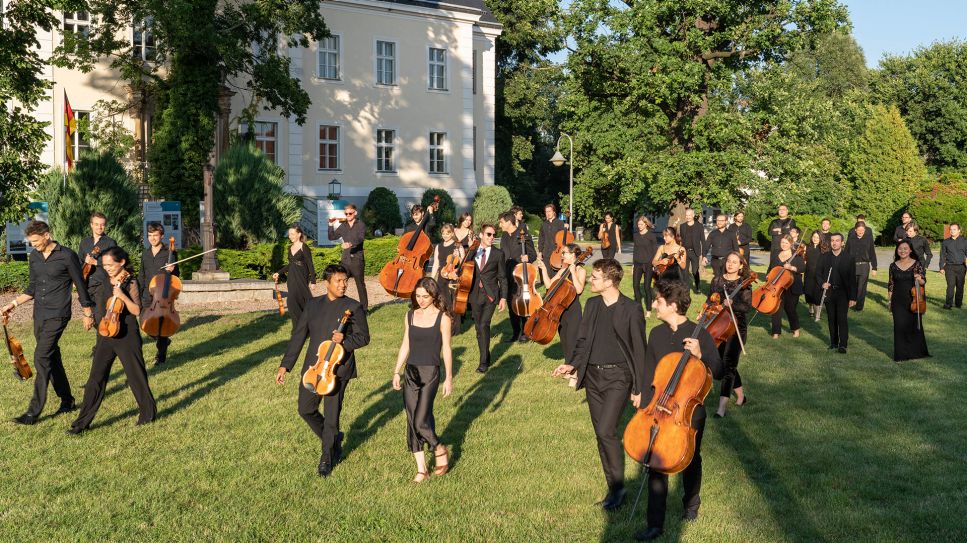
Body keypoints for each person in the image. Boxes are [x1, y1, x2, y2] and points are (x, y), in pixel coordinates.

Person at [551, 259, 647, 512]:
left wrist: (639, 388)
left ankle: (618, 488)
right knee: (601, 435)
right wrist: (570, 364)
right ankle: (613, 487)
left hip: (618, 377)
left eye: (595, 277)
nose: (590, 281)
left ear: (609, 281)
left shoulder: (631, 309)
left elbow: (639, 351)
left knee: (606, 431)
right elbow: (582, 341)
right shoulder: (592, 305)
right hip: (593, 377)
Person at [634, 280, 723, 542]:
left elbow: (718, 370)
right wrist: (642, 398)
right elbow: (650, 372)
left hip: (688, 410)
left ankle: (691, 504)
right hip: (659, 407)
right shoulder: (657, 335)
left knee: (690, 457)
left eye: (657, 301)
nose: (653, 305)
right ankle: (655, 523)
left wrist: (700, 354)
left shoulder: (699, 333)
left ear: (672, 306)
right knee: (656, 460)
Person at [276, 264, 370, 477]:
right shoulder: (312, 305)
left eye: (345, 280)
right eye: (338, 281)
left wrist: (345, 340)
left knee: (331, 416)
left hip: (338, 368)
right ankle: (334, 438)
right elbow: (299, 336)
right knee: (305, 409)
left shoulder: (353, 307)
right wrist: (285, 365)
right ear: (327, 283)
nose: (343, 284)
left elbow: (364, 337)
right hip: (314, 366)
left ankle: (327, 457)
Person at [1, 221, 95, 425]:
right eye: (30, 242)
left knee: (41, 356)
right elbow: (32, 288)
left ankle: (33, 412)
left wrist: (88, 312)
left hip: (59, 314)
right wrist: (12, 304)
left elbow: (80, 285)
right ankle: (67, 400)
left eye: (35, 241)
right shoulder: (34, 256)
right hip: (40, 315)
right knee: (53, 357)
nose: (33, 245)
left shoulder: (67, 255)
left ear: (47, 235)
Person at [69, 247, 156, 434]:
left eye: (110, 264)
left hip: (126, 336)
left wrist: (122, 296)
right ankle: (81, 423)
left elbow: (136, 311)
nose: (106, 268)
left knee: (136, 376)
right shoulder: (103, 279)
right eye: (104, 264)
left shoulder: (130, 281)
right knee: (95, 379)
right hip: (105, 333)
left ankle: (148, 414)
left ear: (122, 262)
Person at [391, 278, 454, 482]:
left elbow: (446, 348)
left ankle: (439, 448)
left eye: (425, 296)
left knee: (420, 420)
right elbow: (405, 344)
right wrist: (396, 371)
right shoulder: (410, 315)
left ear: (434, 295)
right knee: (412, 420)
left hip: (430, 373)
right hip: (411, 372)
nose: (421, 300)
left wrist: (449, 378)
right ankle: (421, 469)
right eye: (417, 296)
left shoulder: (443, 318)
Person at [711, 253, 751, 418]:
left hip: (736, 328)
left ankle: (721, 408)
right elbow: (711, 301)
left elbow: (747, 306)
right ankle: (741, 396)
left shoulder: (744, 284)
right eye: (728, 261)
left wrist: (733, 304)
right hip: (719, 327)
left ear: (741, 266)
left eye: (735, 262)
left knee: (728, 364)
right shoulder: (717, 280)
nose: (730, 264)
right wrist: (709, 309)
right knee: (726, 363)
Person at [535, 242, 587, 370]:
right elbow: (549, 285)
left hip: (573, 310)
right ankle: (569, 366)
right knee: (564, 339)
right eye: (562, 253)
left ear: (573, 254)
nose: (562, 255)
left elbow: (579, 289)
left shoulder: (581, 270)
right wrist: (544, 269)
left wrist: (573, 272)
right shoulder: (563, 269)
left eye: (565, 253)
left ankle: (575, 368)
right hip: (560, 310)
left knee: (573, 339)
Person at [468, 224, 507, 372]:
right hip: (474, 295)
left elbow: (503, 278)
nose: (492, 237)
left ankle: (483, 362)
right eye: (488, 234)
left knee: (484, 325)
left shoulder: (498, 254)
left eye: (493, 235)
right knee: (478, 328)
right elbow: (464, 270)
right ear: (481, 235)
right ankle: (486, 354)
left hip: (491, 295)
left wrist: (503, 298)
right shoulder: (472, 252)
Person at [139, 222, 178, 366]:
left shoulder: (169, 252)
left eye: (155, 235)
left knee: (161, 326)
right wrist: (138, 292)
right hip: (146, 295)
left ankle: (161, 357)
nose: (152, 238)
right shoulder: (145, 253)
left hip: (162, 296)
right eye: (150, 235)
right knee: (144, 323)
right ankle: (163, 340)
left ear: (161, 236)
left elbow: (176, 275)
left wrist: (172, 269)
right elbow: (141, 275)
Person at [888, 241, 930, 362]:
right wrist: (890, 301)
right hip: (897, 301)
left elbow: (923, 281)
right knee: (899, 326)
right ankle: (901, 355)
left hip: (913, 299)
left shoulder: (916, 264)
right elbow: (891, 284)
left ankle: (915, 352)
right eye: (900, 249)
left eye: (906, 249)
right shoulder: (893, 265)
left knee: (914, 326)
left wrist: (919, 278)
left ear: (910, 250)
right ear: (897, 250)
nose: (903, 251)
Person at [499, 212, 537, 343]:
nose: (500, 225)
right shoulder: (504, 236)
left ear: (509, 222)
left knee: (521, 302)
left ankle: (525, 332)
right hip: (507, 272)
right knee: (511, 303)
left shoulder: (523, 234)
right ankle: (515, 332)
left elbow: (533, 254)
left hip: (520, 274)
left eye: (501, 222)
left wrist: (528, 258)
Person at [816, 233, 857, 354]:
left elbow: (852, 279)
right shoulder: (824, 257)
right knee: (831, 318)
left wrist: (853, 297)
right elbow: (818, 273)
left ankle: (843, 344)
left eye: (837, 240)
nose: (834, 243)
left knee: (842, 318)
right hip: (829, 292)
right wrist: (822, 283)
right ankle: (833, 342)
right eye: (832, 240)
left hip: (843, 293)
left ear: (842, 243)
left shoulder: (849, 258)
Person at [273, 224, 316, 327]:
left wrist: (313, 281)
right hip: (291, 278)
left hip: (302, 277)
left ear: (299, 234)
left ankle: (311, 322)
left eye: (292, 234)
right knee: (292, 301)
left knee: (304, 300)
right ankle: (297, 326)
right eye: (289, 234)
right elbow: (290, 264)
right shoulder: (290, 248)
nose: (290, 236)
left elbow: (310, 264)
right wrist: (278, 272)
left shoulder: (304, 247)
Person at [328, 203, 368, 311]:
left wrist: (349, 244)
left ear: (355, 213)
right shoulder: (343, 226)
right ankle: (339, 306)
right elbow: (331, 237)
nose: (348, 215)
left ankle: (364, 309)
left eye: (350, 213)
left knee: (360, 285)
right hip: (345, 260)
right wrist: (331, 225)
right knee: (340, 282)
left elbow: (360, 239)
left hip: (357, 260)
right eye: (346, 213)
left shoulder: (361, 225)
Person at [429, 224, 464, 332]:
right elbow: (436, 263)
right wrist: (432, 278)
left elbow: (463, 261)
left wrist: (458, 255)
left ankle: (455, 328)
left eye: (447, 233)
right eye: (443, 233)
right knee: (442, 302)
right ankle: (445, 325)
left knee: (453, 302)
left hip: (453, 276)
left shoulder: (457, 245)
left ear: (452, 233)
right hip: (442, 276)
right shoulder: (438, 246)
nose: (445, 235)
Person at [769, 235, 805, 339]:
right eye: (782, 242)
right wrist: (768, 275)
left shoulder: (796, 254)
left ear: (791, 244)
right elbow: (771, 267)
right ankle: (776, 332)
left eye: (786, 243)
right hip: (778, 286)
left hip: (792, 285)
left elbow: (803, 268)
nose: (783, 245)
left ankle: (795, 329)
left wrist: (792, 267)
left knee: (790, 309)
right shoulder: (776, 254)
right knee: (776, 309)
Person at [78, 212, 117, 302]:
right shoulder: (84, 242)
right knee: (88, 314)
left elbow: (114, 264)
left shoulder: (110, 243)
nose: (99, 227)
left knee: (100, 314)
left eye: (102, 225)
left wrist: (96, 262)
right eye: (96, 224)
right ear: (91, 225)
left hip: (103, 285)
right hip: (86, 285)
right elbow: (79, 262)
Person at [845, 221, 877, 312]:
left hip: (864, 266)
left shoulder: (868, 239)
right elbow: (846, 253)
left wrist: (874, 267)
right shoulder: (851, 239)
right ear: (855, 230)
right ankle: (850, 303)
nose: (861, 232)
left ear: (865, 230)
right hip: (852, 266)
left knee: (861, 287)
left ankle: (859, 307)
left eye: (862, 230)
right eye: (859, 230)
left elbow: (872, 253)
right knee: (852, 286)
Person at [632, 216, 659, 317]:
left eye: (641, 224)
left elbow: (655, 251)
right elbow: (635, 250)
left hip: (648, 264)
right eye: (638, 224)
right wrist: (633, 265)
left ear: (646, 224)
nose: (639, 226)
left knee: (647, 287)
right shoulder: (636, 235)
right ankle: (638, 308)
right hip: (638, 263)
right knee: (635, 286)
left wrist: (654, 264)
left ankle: (648, 309)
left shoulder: (651, 235)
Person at [939, 223, 967, 309]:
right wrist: (941, 267)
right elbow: (942, 255)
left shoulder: (965, 241)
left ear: (959, 230)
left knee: (960, 286)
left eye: (954, 229)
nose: (952, 231)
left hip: (961, 267)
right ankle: (948, 304)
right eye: (951, 229)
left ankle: (958, 304)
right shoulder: (946, 242)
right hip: (949, 267)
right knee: (950, 285)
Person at [678, 208, 705, 293]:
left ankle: (697, 286)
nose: (688, 217)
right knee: (684, 272)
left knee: (694, 271)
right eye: (686, 215)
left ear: (693, 215)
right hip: (685, 252)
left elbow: (703, 241)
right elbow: (680, 240)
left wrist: (703, 255)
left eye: (689, 215)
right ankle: (686, 289)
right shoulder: (682, 226)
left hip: (695, 252)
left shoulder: (699, 226)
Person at [704, 214, 738, 280]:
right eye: (718, 220)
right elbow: (706, 246)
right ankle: (715, 290)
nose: (719, 222)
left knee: (725, 279)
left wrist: (738, 260)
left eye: (721, 220)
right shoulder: (712, 233)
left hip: (727, 261)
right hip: (715, 261)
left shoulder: (731, 234)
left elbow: (736, 248)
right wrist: (704, 256)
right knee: (717, 279)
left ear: (726, 221)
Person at [804, 230, 829, 318]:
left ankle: (817, 313)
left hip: (819, 275)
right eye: (814, 237)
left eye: (817, 237)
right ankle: (810, 308)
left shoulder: (824, 248)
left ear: (820, 238)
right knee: (808, 292)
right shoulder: (807, 247)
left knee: (818, 294)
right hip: (808, 273)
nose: (815, 239)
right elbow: (805, 260)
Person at [538, 203, 567, 274]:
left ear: (554, 212)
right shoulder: (543, 224)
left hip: (557, 252)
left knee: (556, 273)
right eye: (546, 212)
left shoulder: (560, 223)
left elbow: (564, 239)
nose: (548, 213)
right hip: (546, 252)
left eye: (549, 211)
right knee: (547, 272)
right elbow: (541, 239)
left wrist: (566, 229)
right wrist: (540, 251)